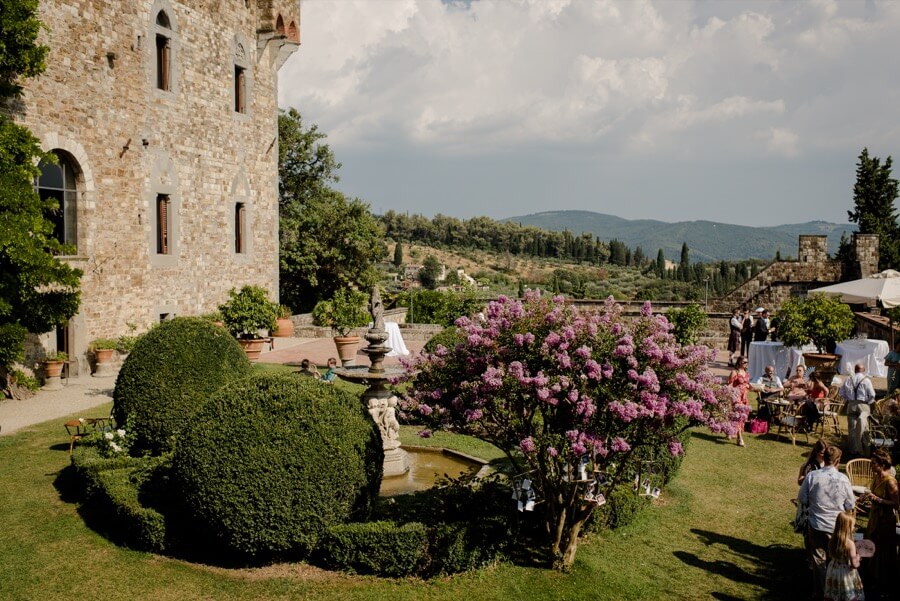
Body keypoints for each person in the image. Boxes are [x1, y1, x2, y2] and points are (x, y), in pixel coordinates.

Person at [798, 446, 855, 600]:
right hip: (835, 526)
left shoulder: (812, 476)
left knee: (818, 561)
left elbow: (802, 498)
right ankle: (833, 592)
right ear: (837, 460)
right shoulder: (843, 479)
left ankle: (820, 592)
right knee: (835, 559)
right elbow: (850, 504)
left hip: (816, 524)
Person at [862, 449, 899, 599]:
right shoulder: (876, 477)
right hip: (874, 518)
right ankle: (872, 577)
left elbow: (896, 504)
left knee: (883, 551)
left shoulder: (890, 482)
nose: (871, 466)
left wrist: (877, 499)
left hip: (885, 522)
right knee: (872, 546)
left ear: (882, 464)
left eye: (873, 463)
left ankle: (884, 583)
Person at [823, 511, 865, 601]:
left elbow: (831, 554)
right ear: (848, 527)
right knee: (846, 592)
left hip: (833, 569)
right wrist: (858, 558)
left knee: (835, 590)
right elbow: (854, 565)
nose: (854, 527)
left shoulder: (833, 538)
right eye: (853, 525)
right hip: (845, 573)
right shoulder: (850, 544)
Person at [839, 364, 876, 456]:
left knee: (852, 429)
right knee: (863, 427)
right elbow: (872, 395)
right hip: (863, 404)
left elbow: (841, 392)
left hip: (851, 405)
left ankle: (853, 450)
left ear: (855, 370)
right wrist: (868, 402)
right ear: (863, 370)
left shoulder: (848, 379)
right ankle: (864, 449)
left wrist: (849, 399)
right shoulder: (866, 380)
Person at [728, 356, 750, 446]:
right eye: (745, 362)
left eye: (747, 362)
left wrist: (754, 388)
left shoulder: (746, 373)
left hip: (744, 398)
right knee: (738, 417)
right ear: (739, 362)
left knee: (742, 417)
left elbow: (747, 384)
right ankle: (739, 438)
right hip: (736, 397)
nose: (746, 364)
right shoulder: (735, 372)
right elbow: (729, 384)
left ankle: (730, 431)